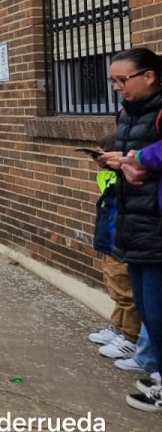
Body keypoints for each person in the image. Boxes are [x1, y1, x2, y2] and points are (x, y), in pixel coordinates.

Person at [95, 47, 162, 411]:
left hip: (155, 222)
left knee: (157, 307)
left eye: (123, 79)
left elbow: (149, 155)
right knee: (148, 309)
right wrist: (119, 161)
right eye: (113, 81)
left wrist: (139, 158)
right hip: (131, 219)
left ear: (148, 76)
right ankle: (156, 374)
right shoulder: (127, 113)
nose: (117, 87)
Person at [88, 130, 145, 368]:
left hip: (119, 241)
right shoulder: (108, 177)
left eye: (104, 155)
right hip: (107, 242)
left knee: (126, 292)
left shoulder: (127, 180)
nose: (101, 161)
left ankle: (130, 337)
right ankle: (118, 327)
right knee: (115, 288)